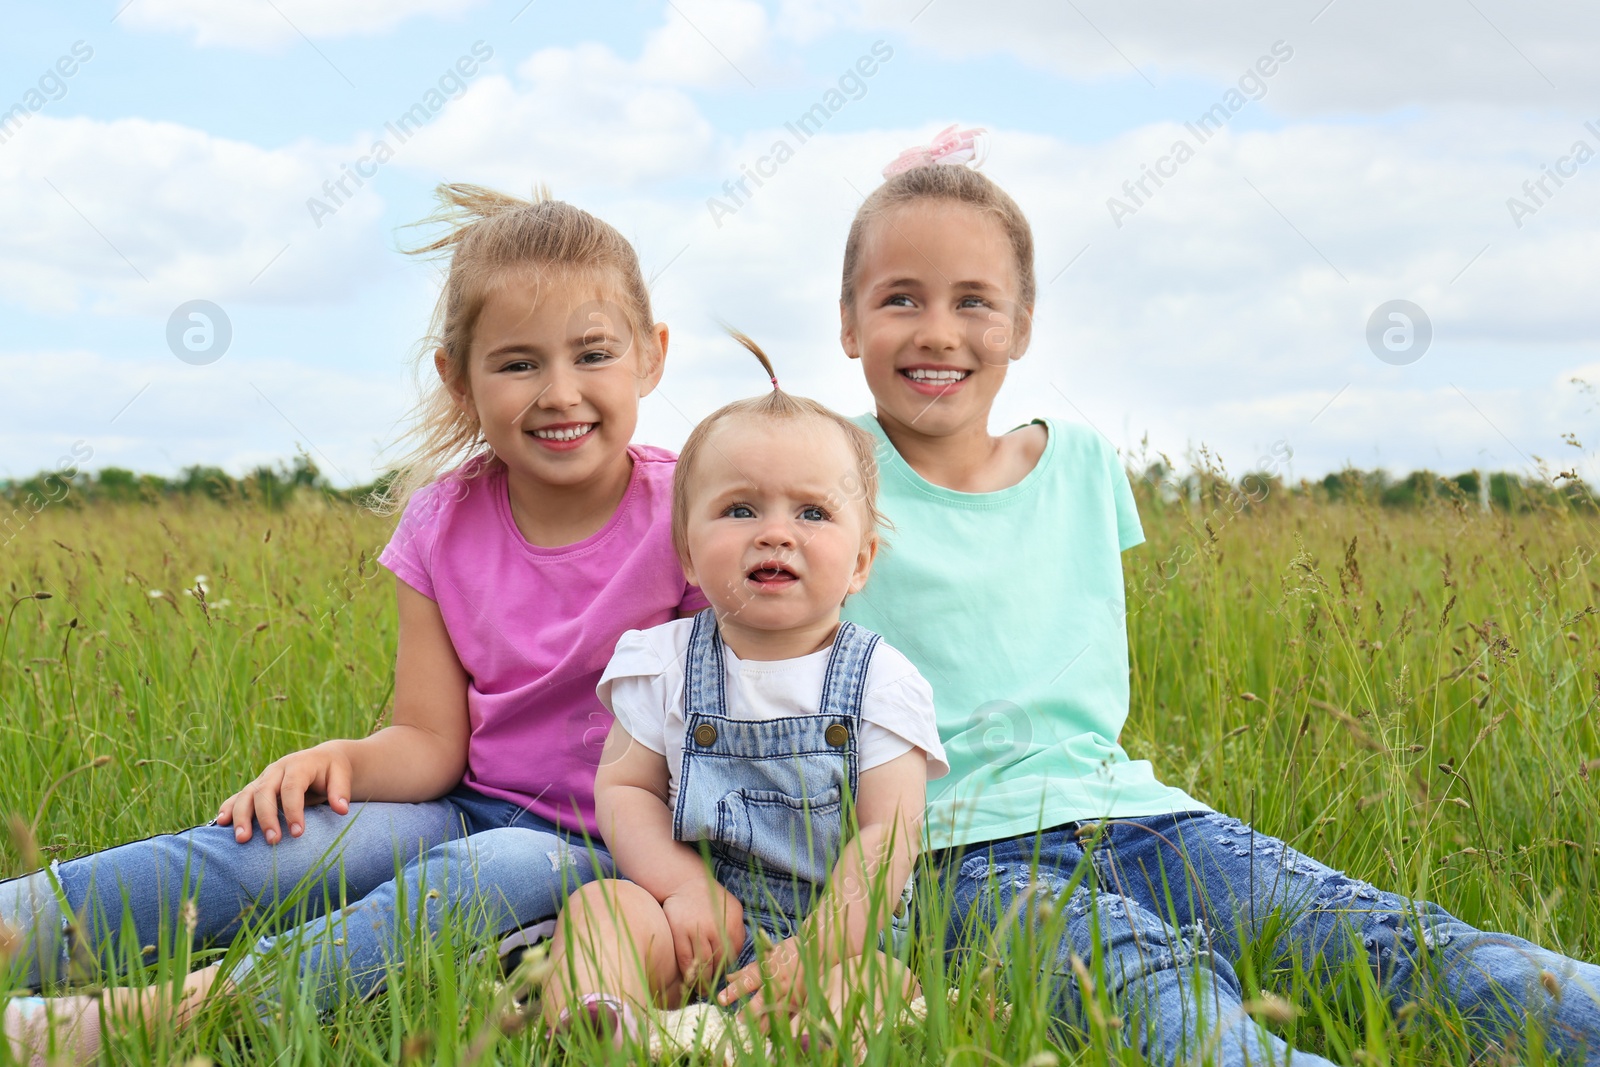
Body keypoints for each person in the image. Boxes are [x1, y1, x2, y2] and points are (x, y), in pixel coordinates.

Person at [832, 137, 1600, 1064]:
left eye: (974, 301)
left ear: (1023, 324)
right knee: (1153, 989)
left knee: (1377, 938)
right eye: (900, 298)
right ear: (848, 322)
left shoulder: (1077, 461)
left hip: (1140, 813)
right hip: (960, 855)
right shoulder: (828, 472)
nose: (938, 331)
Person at [2, 184, 704, 1064]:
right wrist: (339, 761)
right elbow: (429, 741)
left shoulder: (693, 514)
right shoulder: (444, 521)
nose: (560, 392)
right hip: (465, 805)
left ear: (651, 355)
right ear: (459, 378)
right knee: (276, 849)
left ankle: (171, 1012)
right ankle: (16, 926)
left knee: (486, 875)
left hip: (610, 853)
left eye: (593, 354)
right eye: (518, 363)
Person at [540, 336, 948, 1047]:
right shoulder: (663, 662)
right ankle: (610, 1024)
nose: (775, 534)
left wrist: (817, 949)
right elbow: (626, 789)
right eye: (739, 510)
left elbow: (890, 835)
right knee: (604, 904)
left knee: (881, 984)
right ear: (689, 551)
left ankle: (792, 1038)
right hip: (702, 929)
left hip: (838, 939)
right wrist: (681, 886)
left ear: (860, 562)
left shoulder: (882, 680)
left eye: (812, 513)